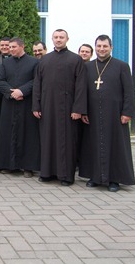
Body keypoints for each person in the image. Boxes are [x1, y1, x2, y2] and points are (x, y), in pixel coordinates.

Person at [79, 35, 135, 193]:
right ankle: (94, 177)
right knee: (93, 144)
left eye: (105, 46)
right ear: (95, 48)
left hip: (115, 114)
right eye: (99, 46)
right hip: (93, 113)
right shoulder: (88, 67)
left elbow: (129, 91)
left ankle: (114, 179)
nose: (101, 49)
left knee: (115, 145)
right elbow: (82, 91)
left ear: (111, 48)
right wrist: (83, 110)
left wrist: (127, 112)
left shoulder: (121, 66)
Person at [33, 29, 87, 186]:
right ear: (52, 39)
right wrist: (36, 105)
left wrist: (78, 109)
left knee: (66, 142)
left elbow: (81, 86)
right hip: (47, 106)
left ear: (67, 39)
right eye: (56, 37)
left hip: (68, 108)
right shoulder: (44, 60)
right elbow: (37, 84)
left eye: (61, 37)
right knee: (47, 139)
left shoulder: (76, 60)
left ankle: (66, 175)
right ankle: (47, 173)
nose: (58, 40)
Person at [0, 38, 40, 176]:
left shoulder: (34, 62)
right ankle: (9, 165)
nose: (11, 49)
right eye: (10, 47)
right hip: (9, 103)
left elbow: (36, 80)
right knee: (8, 133)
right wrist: (11, 93)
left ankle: (27, 167)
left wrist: (22, 91)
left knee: (27, 134)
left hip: (26, 102)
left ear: (22, 46)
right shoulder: (6, 63)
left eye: (13, 47)